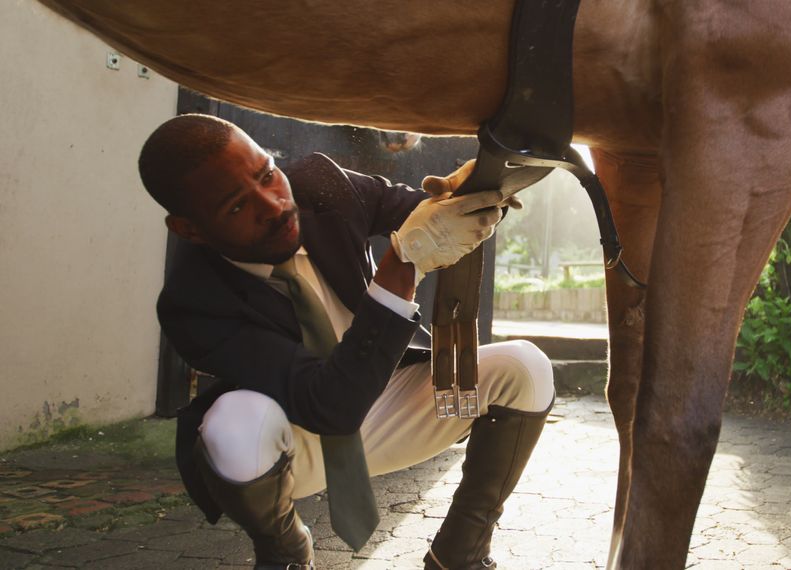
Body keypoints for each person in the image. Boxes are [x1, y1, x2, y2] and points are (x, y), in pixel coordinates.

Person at [140, 114, 554, 570]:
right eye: (237, 207)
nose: (274, 204)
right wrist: (402, 266)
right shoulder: (191, 301)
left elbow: (425, 212)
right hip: (298, 440)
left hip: (388, 403)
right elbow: (329, 406)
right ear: (189, 229)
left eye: (266, 174)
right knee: (232, 427)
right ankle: (285, 552)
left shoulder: (319, 184)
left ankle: (460, 552)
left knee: (525, 366)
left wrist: (477, 186)